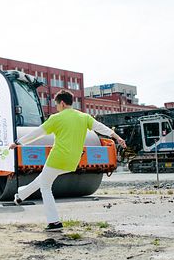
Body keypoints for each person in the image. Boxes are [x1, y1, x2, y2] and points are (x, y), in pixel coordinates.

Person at [9, 90, 126, 232]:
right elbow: (100, 127)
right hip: (73, 161)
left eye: (57, 104)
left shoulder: (56, 118)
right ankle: (20, 196)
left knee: (45, 186)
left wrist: (18, 142)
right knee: (43, 180)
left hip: (57, 158)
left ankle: (54, 222)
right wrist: (116, 136)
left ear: (62, 103)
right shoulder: (84, 117)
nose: (56, 107)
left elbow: (38, 133)